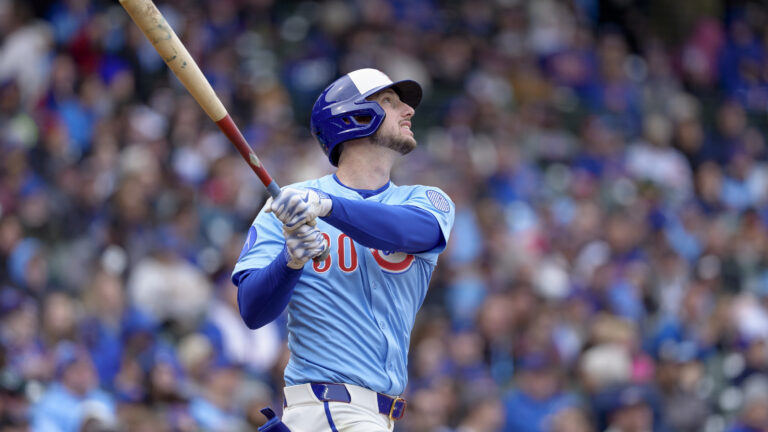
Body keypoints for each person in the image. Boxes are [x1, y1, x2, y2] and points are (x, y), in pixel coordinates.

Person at [232, 68, 455, 432]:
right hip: (328, 408)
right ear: (352, 117)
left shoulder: (424, 200)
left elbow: (411, 231)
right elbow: (253, 311)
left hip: (376, 416)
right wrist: (290, 260)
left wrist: (328, 205)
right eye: (389, 101)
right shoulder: (287, 206)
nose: (408, 111)